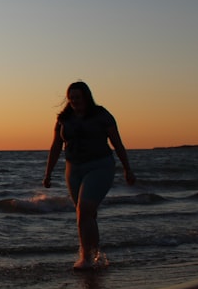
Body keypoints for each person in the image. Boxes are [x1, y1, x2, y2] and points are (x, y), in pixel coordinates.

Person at [44, 82, 135, 270]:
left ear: (86, 97)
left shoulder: (101, 115)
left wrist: (127, 169)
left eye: (78, 97)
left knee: (84, 210)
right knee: (85, 214)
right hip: (73, 169)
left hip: (100, 166)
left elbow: (117, 143)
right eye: (71, 98)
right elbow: (55, 147)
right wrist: (48, 173)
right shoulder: (64, 119)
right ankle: (96, 257)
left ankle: (86, 257)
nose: (74, 101)